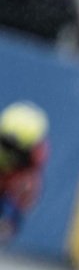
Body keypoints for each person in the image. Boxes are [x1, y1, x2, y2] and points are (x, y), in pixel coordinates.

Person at [0, 102, 49, 244]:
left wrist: (8, 224)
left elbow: (12, 219)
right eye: (5, 143)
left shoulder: (28, 176)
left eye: (14, 149)